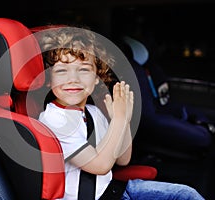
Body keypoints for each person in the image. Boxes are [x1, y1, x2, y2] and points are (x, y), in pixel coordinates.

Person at [37, 26, 205, 200]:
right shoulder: (55, 119)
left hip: (114, 190)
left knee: (186, 195)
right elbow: (101, 165)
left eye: (84, 70)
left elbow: (122, 159)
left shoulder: (93, 112)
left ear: (96, 78)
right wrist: (118, 119)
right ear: (49, 80)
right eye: (62, 71)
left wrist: (124, 120)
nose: (73, 79)